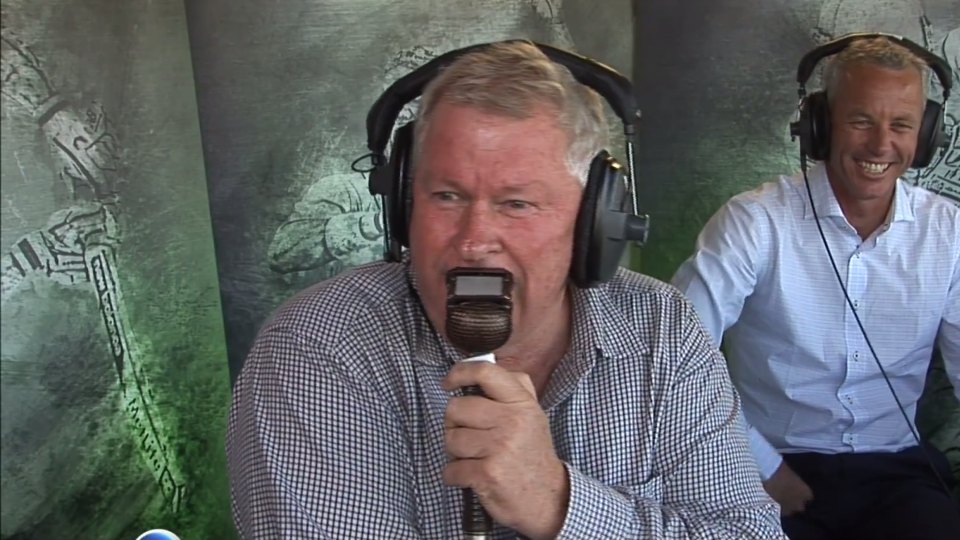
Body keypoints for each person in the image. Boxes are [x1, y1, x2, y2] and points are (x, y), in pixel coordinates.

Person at [227, 41, 784, 539]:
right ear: (403, 205)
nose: (473, 242)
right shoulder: (317, 349)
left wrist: (558, 505)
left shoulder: (661, 326)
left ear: (594, 223)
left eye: (516, 204)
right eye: (446, 196)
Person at [672, 35, 960, 540]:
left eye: (901, 125)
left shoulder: (949, 233)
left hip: (896, 472)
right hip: (768, 466)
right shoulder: (754, 222)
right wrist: (761, 465)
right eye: (861, 120)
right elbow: (674, 356)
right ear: (820, 124)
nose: (880, 145)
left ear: (926, 135)